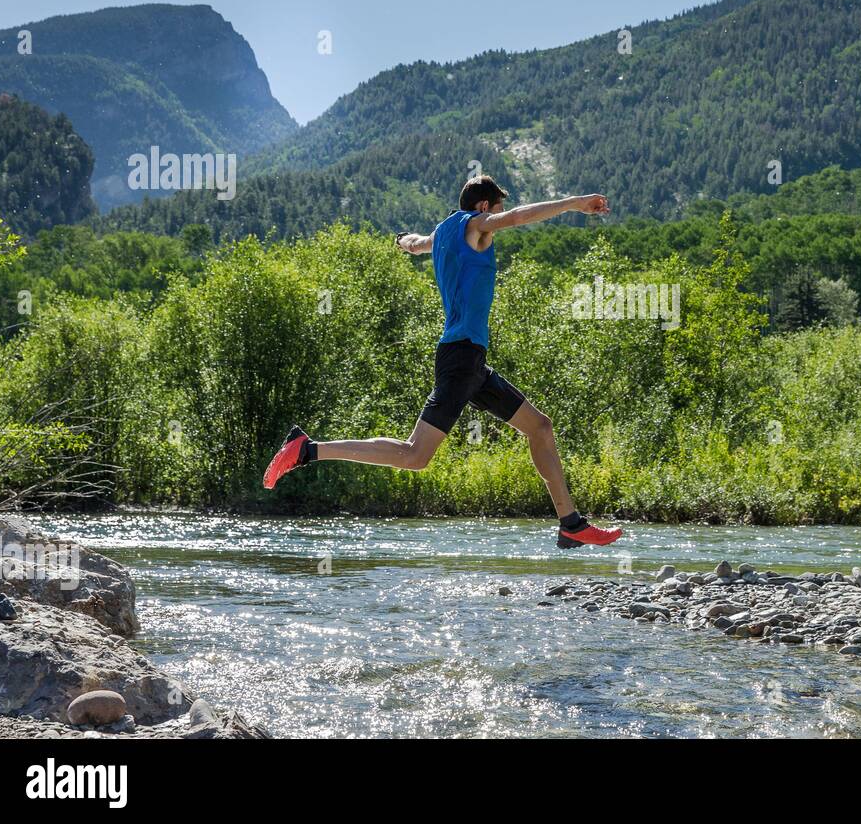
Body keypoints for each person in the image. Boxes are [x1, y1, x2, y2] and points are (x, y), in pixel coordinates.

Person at [262, 175, 623, 549]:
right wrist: (575, 203)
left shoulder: (442, 233)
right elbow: (517, 217)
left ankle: (570, 523)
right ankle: (308, 449)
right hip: (462, 358)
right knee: (415, 454)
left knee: (540, 427)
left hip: (470, 362)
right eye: (495, 209)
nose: (497, 219)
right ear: (483, 207)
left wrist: (401, 240)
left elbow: (416, 245)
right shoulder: (475, 226)